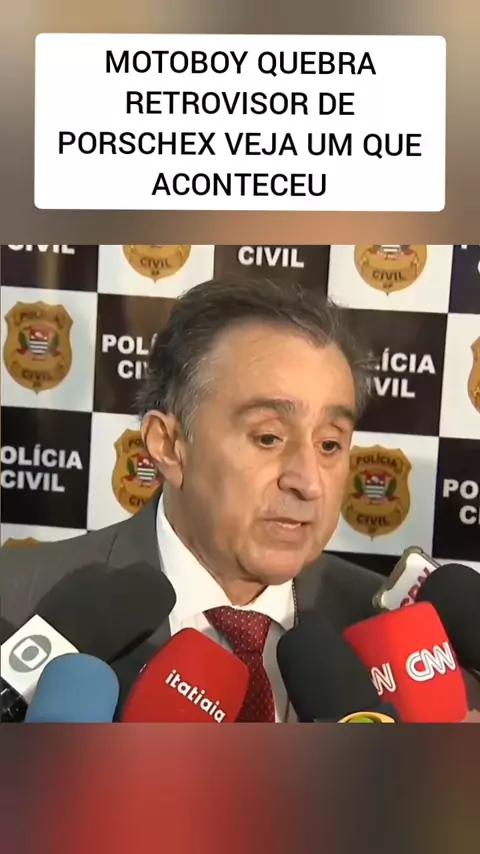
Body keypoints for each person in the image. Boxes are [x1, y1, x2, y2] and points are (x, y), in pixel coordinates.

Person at [1, 277, 478, 720]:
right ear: (168, 445)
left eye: (330, 444)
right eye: (269, 437)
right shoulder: (17, 608)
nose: (308, 482)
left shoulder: (408, 644)